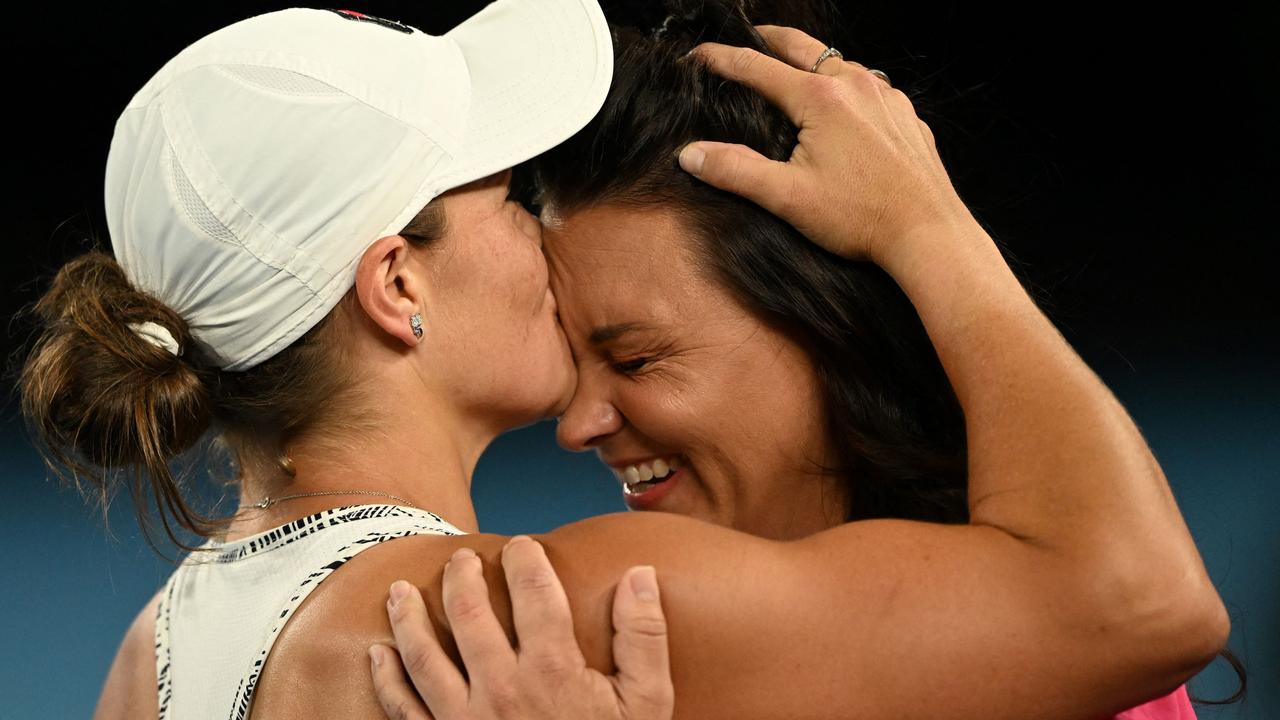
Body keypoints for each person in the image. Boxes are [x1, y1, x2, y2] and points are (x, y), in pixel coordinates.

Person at [20, 4, 1225, 720]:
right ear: (396, 286)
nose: (532, 228)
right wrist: (926, 228)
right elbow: (1141, 601)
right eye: (500, 191)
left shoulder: (149, 660)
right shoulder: (559, 609)